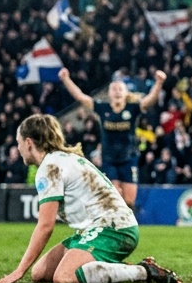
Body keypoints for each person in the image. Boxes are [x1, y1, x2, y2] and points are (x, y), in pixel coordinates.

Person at [0, 114, 180, 283]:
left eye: (18, 143)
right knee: (39, 273)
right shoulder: (62, 159)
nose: (18, 149)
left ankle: (143, 271)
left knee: (64, 277)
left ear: (28, 143)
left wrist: (18, 271)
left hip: (114, 229)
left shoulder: (49, 168)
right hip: (99, 228)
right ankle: (110, 266)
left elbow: (45, 226)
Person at [58, 67, 167, 208]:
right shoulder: (102, 108)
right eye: (114, 89)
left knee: (129, 201)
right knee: (114, 198)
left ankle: (127, 227)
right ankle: (114, 227)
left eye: (120, 89)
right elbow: (80, 96)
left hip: (129, 158)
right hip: (109, 160)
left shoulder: (132, 108)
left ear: (126, 93)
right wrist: (66, 78)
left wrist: (159, 83)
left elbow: (150, 100)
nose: (117, 91)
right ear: (109, 93)